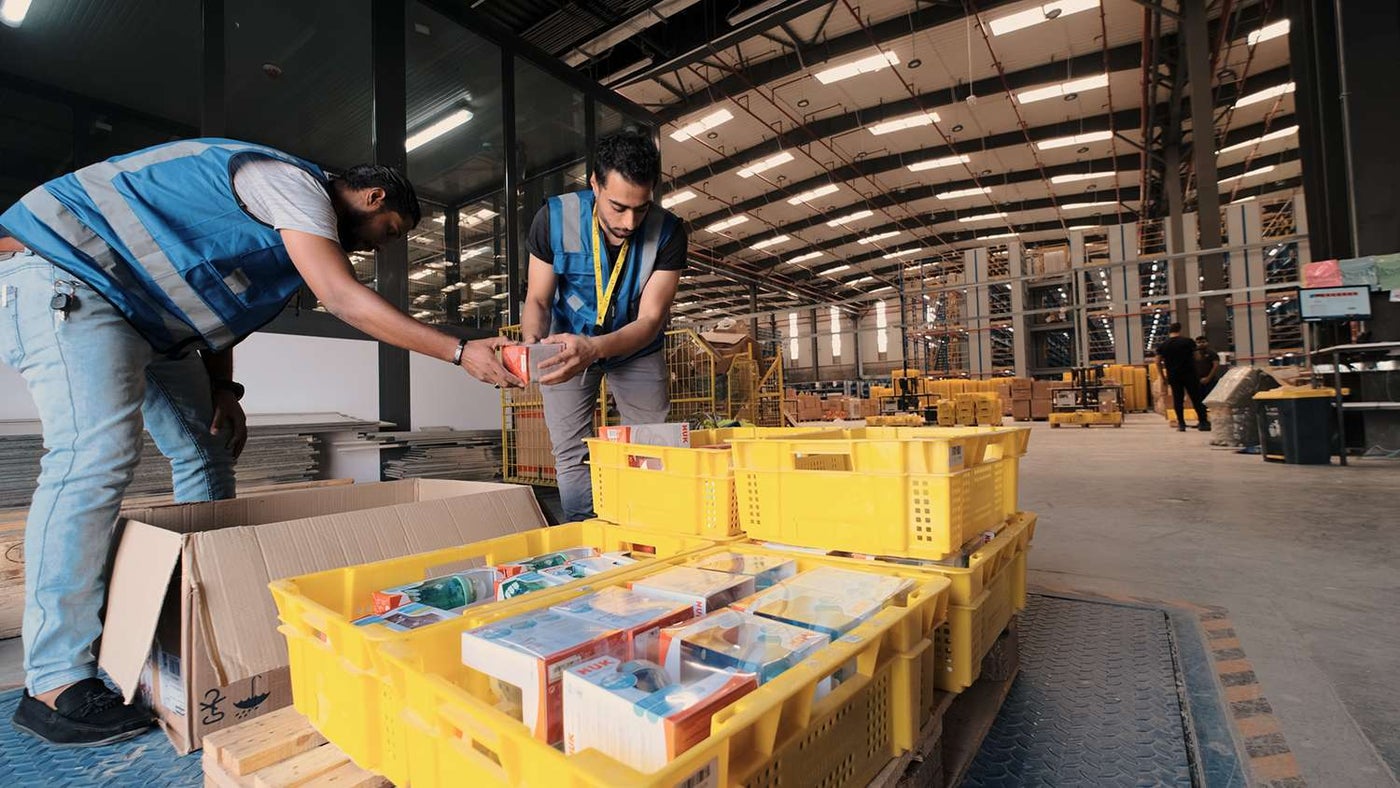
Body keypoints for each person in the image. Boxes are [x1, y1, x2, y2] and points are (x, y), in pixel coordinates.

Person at [0, 138, 519, 747]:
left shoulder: (284, 229)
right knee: (93, 458)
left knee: (204, 451)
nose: (381, 244)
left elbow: (216, 301)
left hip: (146, 319)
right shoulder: (293, 187)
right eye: (388, 229)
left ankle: (204, 609)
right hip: (68, 272)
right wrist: (457, 351)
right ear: (373, 196)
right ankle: (54, 682)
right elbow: (343, 298)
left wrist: (224, 389)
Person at [521, 131, 687, 523]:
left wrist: (595, 349)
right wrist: (531, 345)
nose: (629, 222)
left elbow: (650, 321)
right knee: (571, 450)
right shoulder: (554, 218)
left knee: (653, 443)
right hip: (565, 345)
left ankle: (650, 526)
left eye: (640, 208)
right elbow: (538, 299)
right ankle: (586, 532)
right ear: (594, 183)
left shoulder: (669, 231)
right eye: (617, 206)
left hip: (636, 348)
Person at [1156, 323, 1210, 432]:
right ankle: (1203, 422)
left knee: (1178, 399)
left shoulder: (1163, 345)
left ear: (1169, 331)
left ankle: (1181, 424)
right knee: (1196, 398)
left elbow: (1157, 362)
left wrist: (1163, 377)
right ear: (1180, 330)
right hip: (1189, 374)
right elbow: (1197, 357)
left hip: (1174, 376)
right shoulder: (1188, 341)